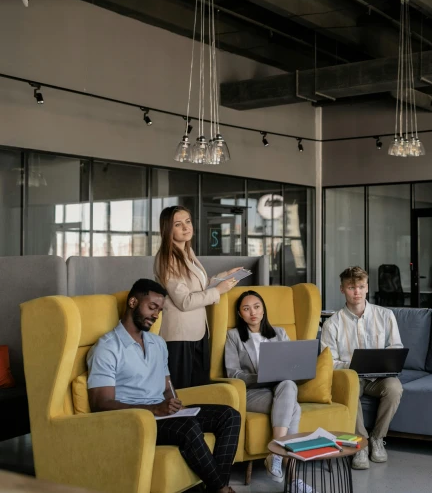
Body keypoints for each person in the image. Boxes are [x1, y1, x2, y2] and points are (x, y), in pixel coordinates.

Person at [87, 279, 241, 493]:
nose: (156, 315)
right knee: (189, 428)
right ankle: (221, 489)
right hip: (134, 421)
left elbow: (167, 385)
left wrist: (173, 401)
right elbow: (100, 404)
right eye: (151, 307)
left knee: (229, 416)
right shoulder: (107, 348)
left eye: (159, 310)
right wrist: (154, 409)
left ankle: (216, 488)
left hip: (162, 414)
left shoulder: (157, 343)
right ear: (132, 302)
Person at [224, 290, 312, 493]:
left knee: (288, 385)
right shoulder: (234, 336)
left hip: (279, 390)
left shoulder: (279, 333)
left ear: (263, 310)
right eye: (246, 309)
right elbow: (232, 373)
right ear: (240, 313)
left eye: (256, 307)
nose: (252, 312)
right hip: (251, 393)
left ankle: (276, 453)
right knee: (294, 409)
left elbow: (292, 366)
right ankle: (292, 478)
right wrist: (261, 375)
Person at [320, 266, 404, 470]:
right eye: (351, 287)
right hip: (350, 377)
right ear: (342, 290)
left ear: (367, 288)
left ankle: (377, 438)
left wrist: (383, 363)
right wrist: (353, 365)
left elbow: (396, 348)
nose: (356, 291)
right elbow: (328, 361)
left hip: (379, 378)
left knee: (395, 388)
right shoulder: (332, 323)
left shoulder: (385, 315)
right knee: (351, 389)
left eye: (360, 286)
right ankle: (360, 443)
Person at [154, 205, 242, 389]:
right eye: (178, 224)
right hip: (180, 336)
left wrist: (225, 275)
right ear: (168, 229)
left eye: (188, 222)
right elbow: (185, 301)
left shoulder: (187, 252)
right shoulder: (167, 258)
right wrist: (218, 290)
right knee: (183, 393)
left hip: (197, 332)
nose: (186, 227)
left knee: (199, 390)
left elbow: (199, 286)